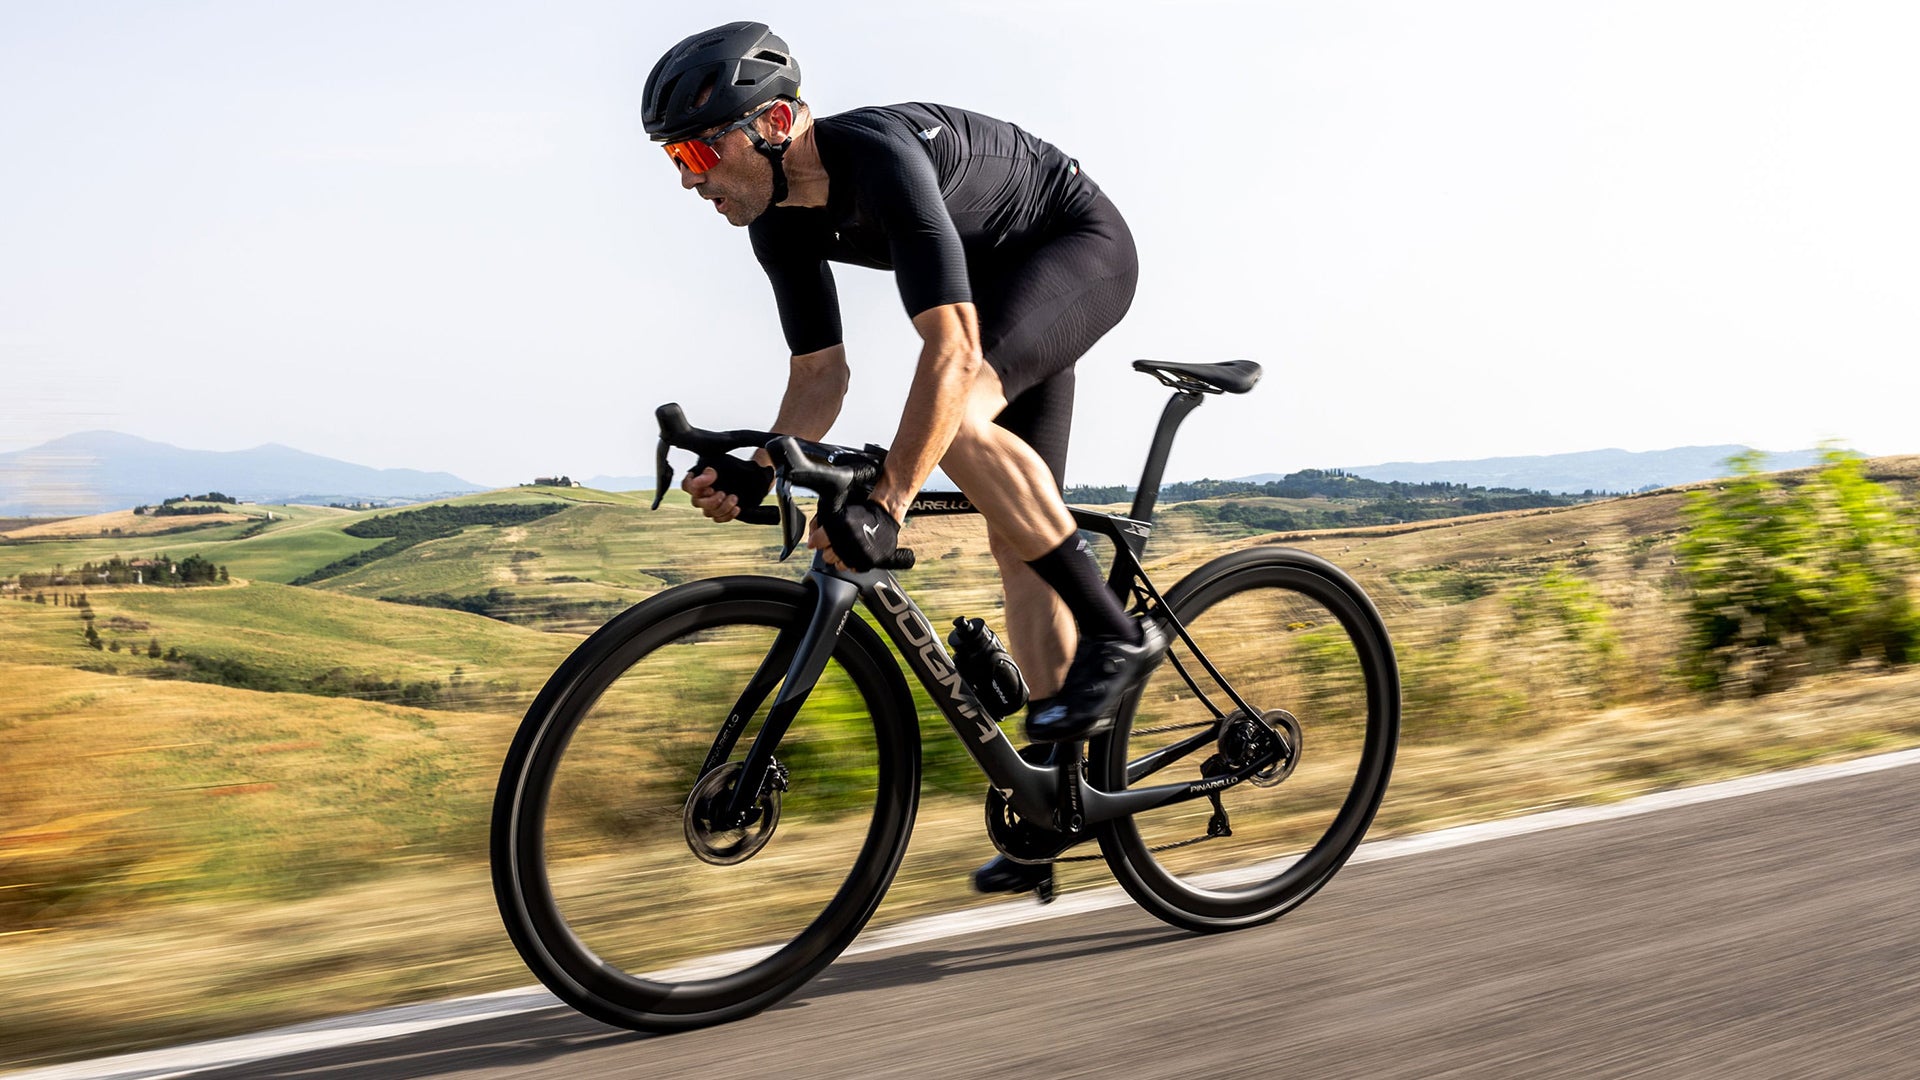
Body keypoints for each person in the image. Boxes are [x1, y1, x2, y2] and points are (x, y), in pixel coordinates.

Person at [642, 21, 1166, 895]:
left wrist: (889, 502)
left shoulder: (881, 157)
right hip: (998, 288)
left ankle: (1117, 636)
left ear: (775, 125)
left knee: (956, 423)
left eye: (699, 150)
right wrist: (758, 469)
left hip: (1074, 248)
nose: (690, 179)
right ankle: (1057, 806)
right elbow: (820, 377)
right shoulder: (776, 223)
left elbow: (952, 355)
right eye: (674, 159)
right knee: (1018, 544)